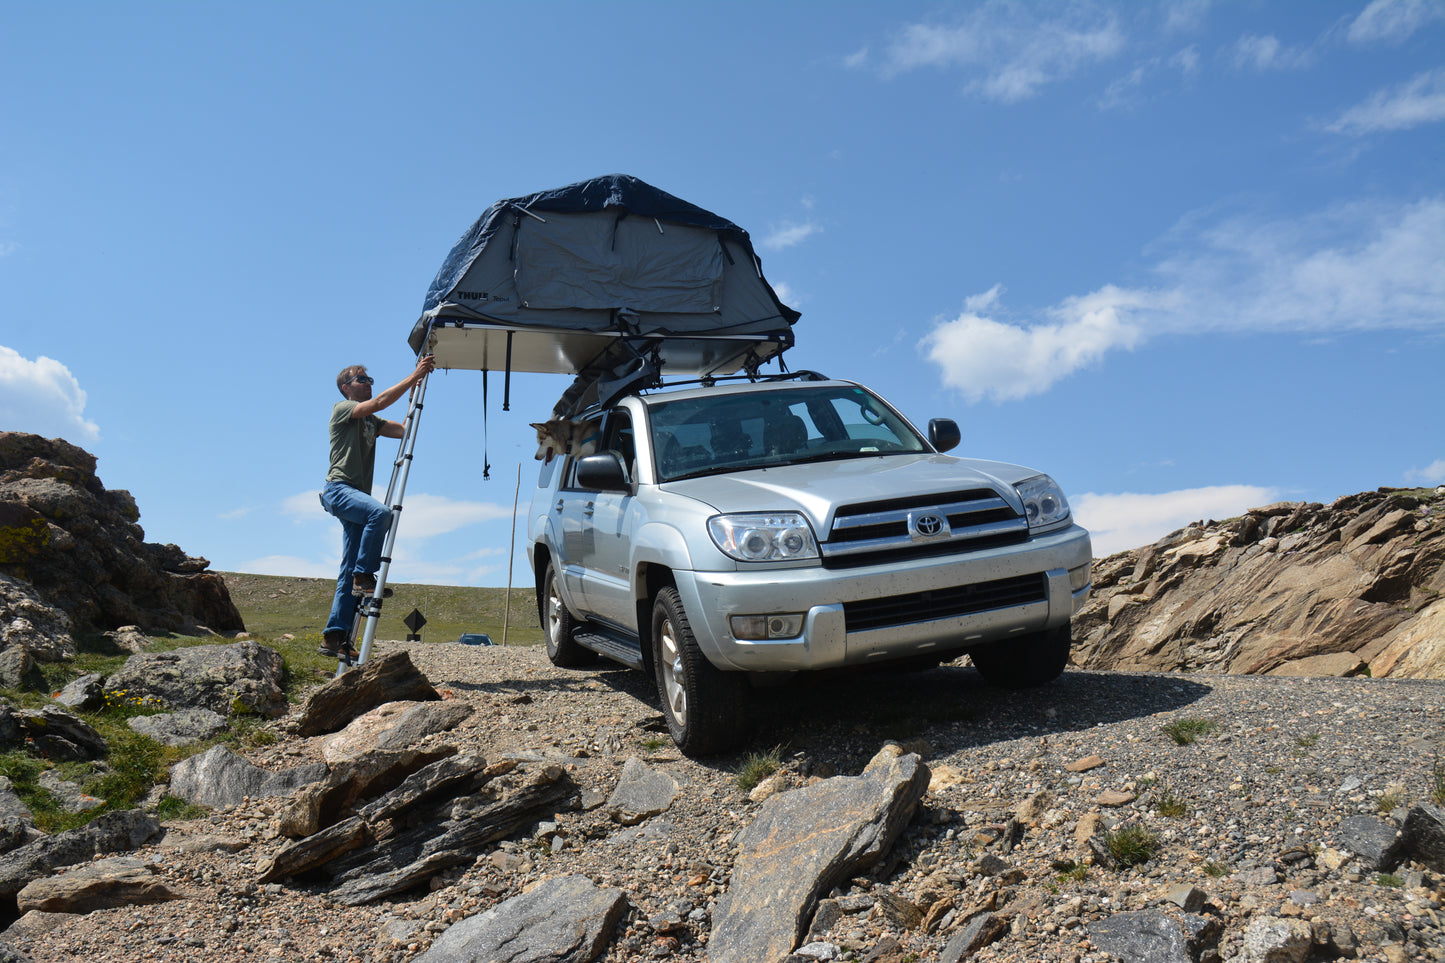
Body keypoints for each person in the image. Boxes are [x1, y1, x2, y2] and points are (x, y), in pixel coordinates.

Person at [319, 355, 434, 660]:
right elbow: (381, 402)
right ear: (346, 388)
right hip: (339, 489)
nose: (369, 384)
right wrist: (413, 375)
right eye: (362, 380)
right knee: (380, 513)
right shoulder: (343, 409)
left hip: (355, 495)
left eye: (370, 380)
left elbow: (403, 430)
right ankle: (364, 575)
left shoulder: (372, 421)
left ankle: (334, 636)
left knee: (348, 569)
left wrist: (412, 396)